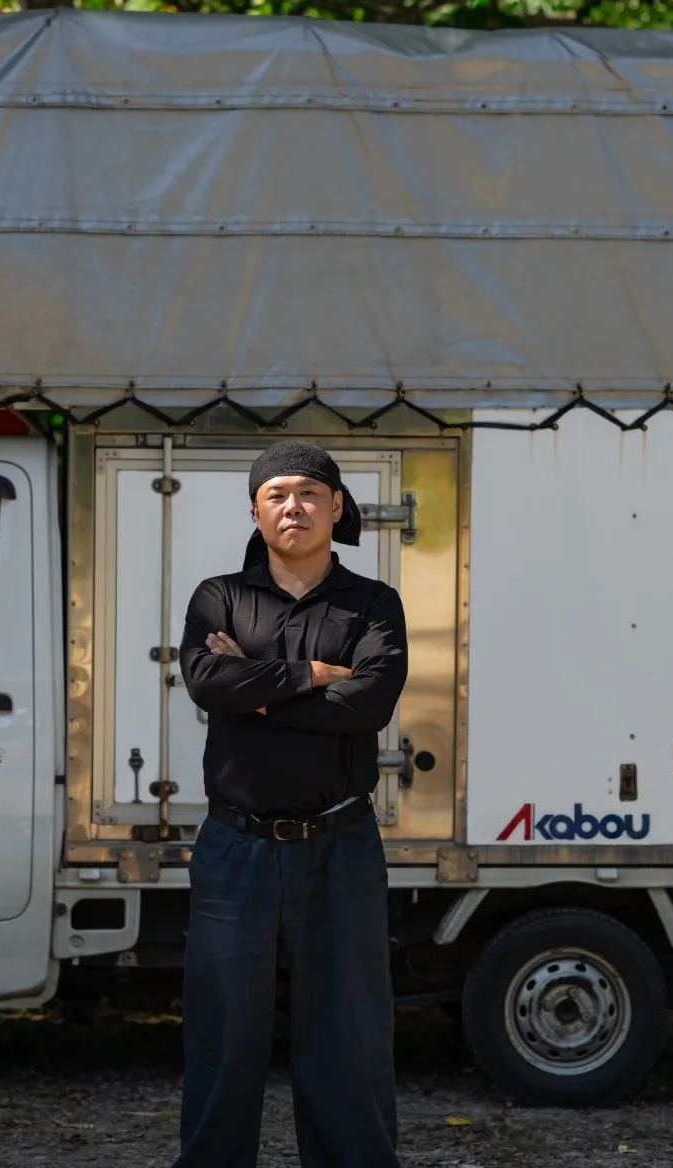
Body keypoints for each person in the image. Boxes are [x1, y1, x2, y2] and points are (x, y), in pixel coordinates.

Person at [173, 440, 409, 1168]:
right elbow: (208, 683)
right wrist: (312, 674)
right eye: (275, 494)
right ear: (256, 512)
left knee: (348, 1040)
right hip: (234, 850)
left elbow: (369, 703)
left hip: (341, 848)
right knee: (222, 1037)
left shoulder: (373, 602)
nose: (293, 506)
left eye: (308, 493)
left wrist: (256, 688)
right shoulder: (218, 597)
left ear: (337, 507)